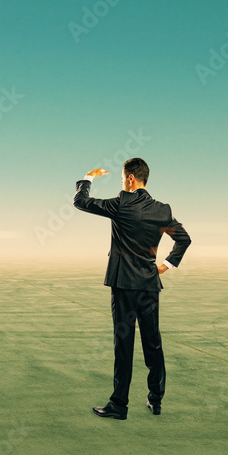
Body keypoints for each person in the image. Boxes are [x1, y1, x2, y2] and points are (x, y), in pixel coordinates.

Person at [73, 157, 191, 419]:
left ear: (130, 179)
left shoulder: (121, 204)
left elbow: (80, 202)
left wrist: (88, 178)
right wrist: (167, 265)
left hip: (124, 285)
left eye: (122, 178)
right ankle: (156, 399)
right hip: (149, 283)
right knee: (153, 343)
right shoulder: (162, 210)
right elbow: (184, 239)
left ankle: (119, 405)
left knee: (123, 344)